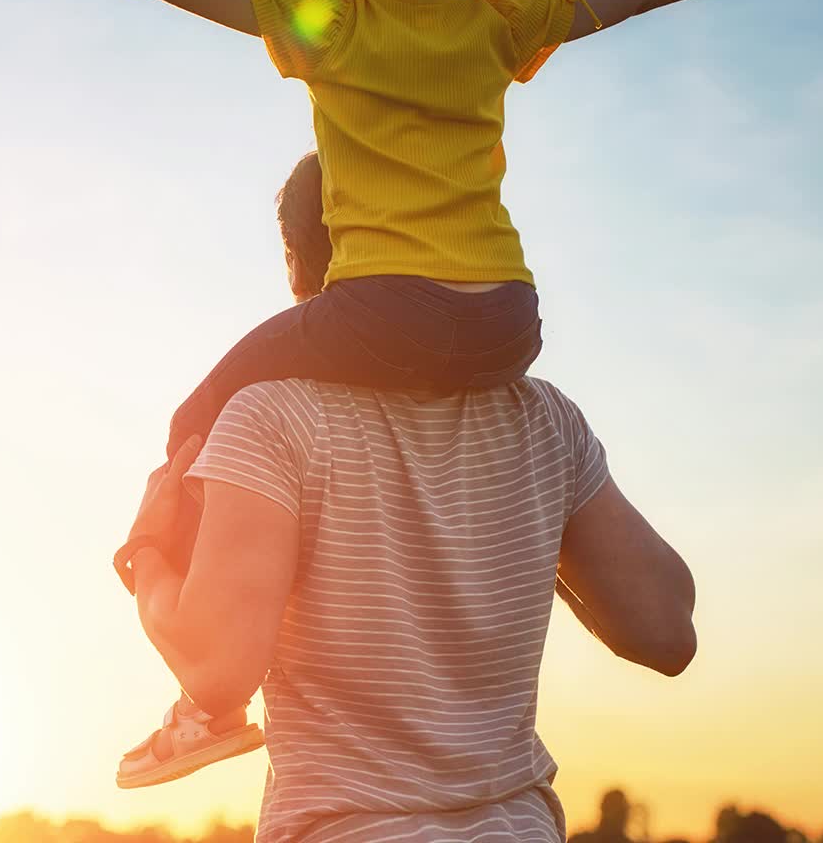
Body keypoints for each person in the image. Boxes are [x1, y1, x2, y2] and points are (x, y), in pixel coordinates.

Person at [0, 0, 823, 780]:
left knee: (200, 411)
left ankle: (202, 704)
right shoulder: (499, 22)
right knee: (317, 382)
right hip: (505, 323)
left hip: (381, 312)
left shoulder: (334, 22)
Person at [120, 151, 697, 839]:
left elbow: (216, 674)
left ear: (297, 264)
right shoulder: (543, 420)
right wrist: (542, 522)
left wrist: (146, 554)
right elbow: (668, 630)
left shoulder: (271, 418)